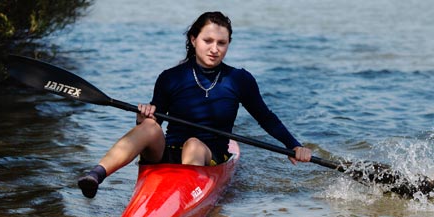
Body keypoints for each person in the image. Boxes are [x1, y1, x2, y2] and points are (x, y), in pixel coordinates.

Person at [78, 11, 312, 198]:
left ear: (229, 44)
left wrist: (293, 145)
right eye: (207, 40)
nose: (214, 49)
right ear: (193, 39)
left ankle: (183, 200)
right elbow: (155, 122)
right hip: (166, 154)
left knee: (193, 144)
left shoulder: (239, 80)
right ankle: (96, 175)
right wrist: (144, 117)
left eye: (222, 43)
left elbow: (265, 117)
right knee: (149, 128)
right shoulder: (170, 77)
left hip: (209, 155)